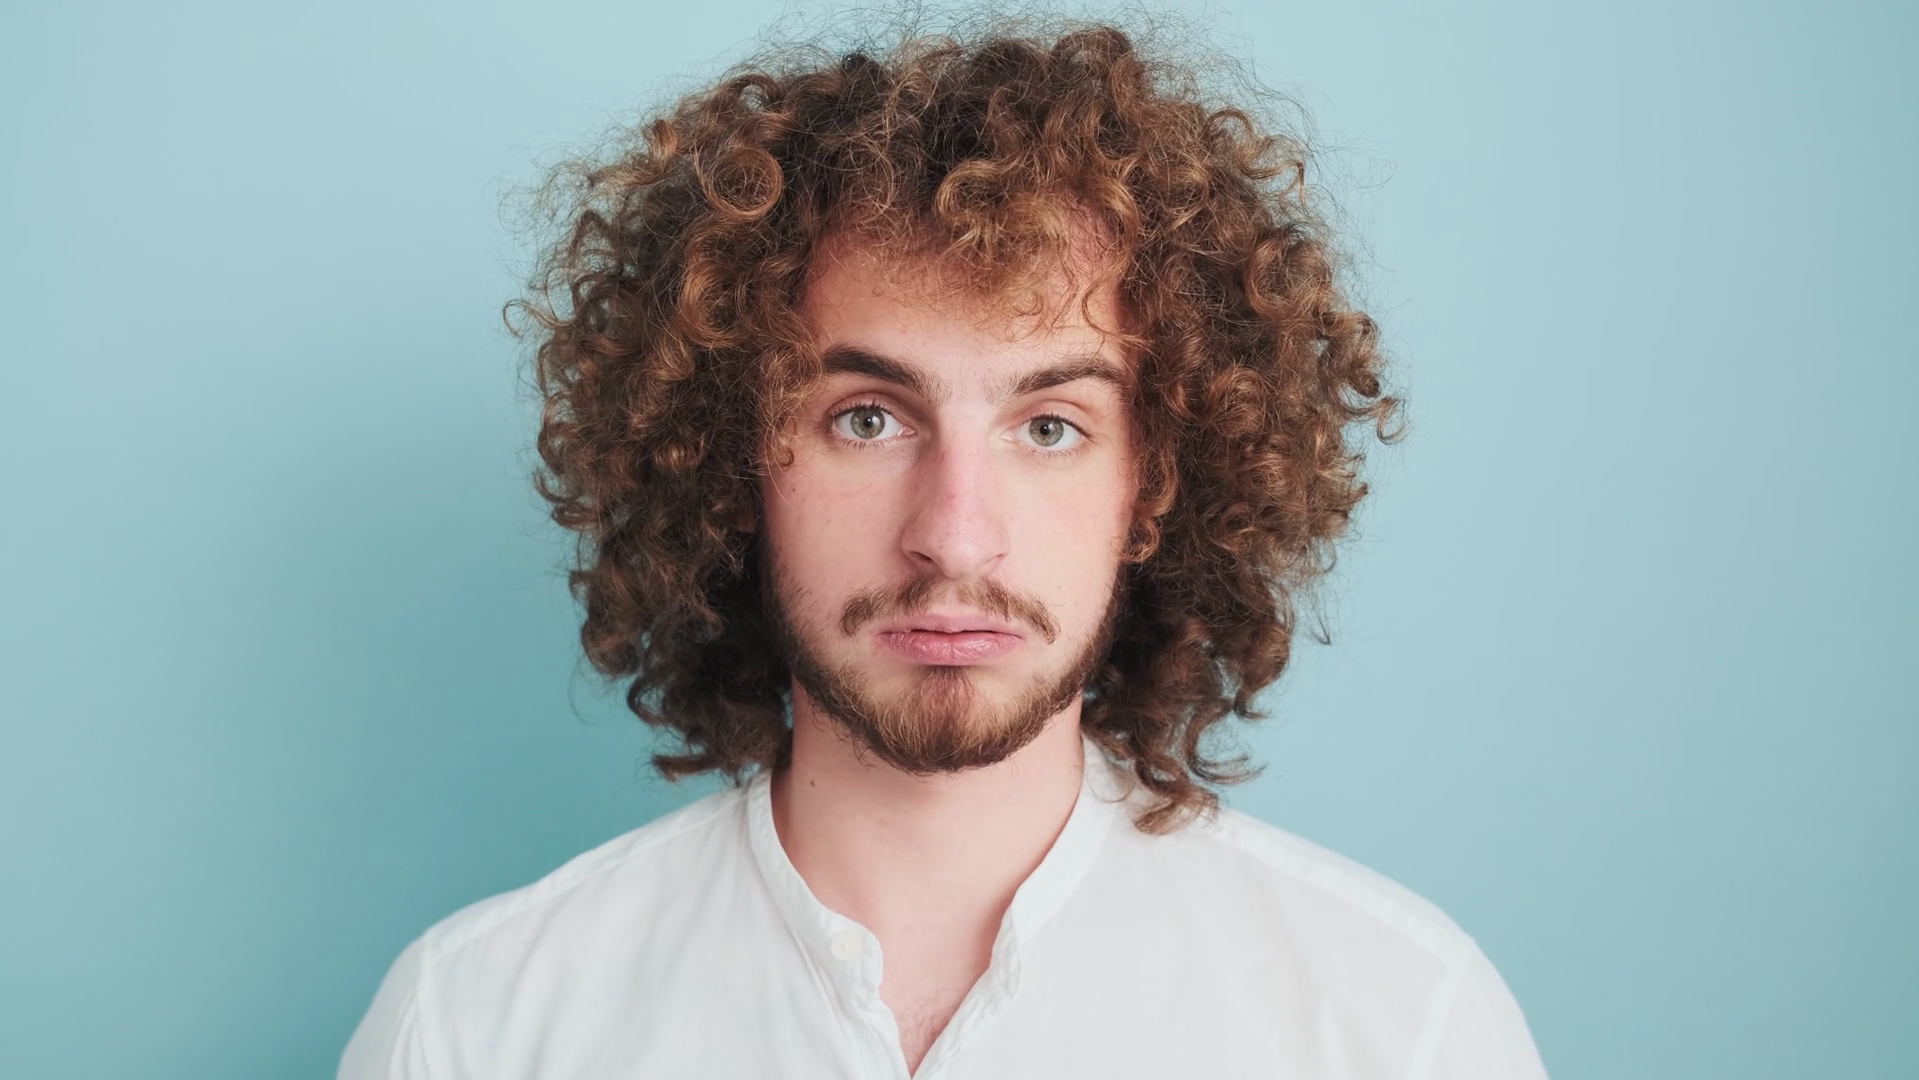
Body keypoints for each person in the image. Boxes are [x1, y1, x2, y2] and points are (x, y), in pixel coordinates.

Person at [341, 20, 1547, 1079]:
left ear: (1153, 484)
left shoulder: (1399, 1028)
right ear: (732, 463)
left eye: (1050, 427)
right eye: (868, 420)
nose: (954, 536)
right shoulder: (475, 1028)